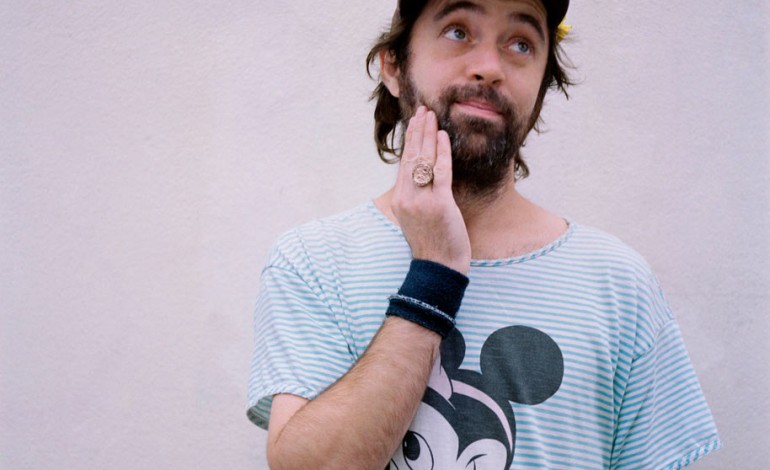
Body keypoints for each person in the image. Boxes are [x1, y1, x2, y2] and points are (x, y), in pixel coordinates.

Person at [247, 0, 721, 468]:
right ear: (393, 66)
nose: (490, 67)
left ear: (542, 84)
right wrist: (433, 274)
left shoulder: (619, 284)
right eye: (458, 31)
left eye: (520, 43)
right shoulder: (314, 263)